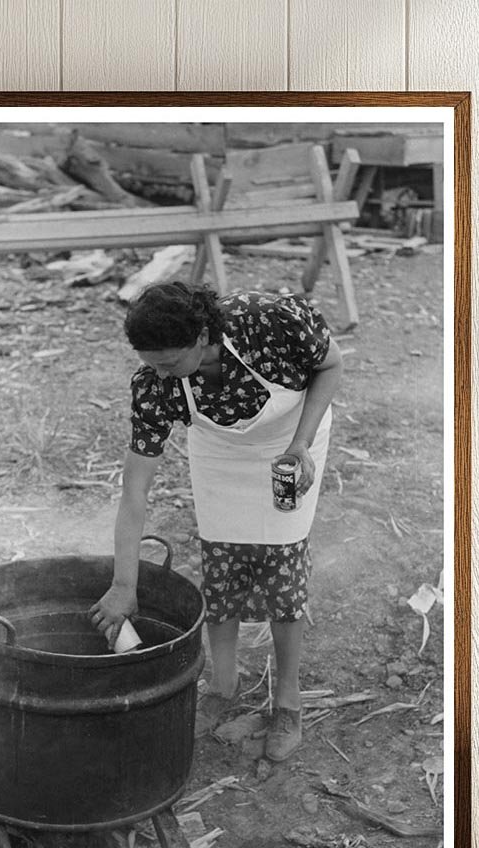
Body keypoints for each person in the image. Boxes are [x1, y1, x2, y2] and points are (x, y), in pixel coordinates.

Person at [89, 282, 343, 762]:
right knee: (222, 565)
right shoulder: (154, 384)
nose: (157, 373)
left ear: (204, 335)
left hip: (291, 443)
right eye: (150, 362)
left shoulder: (272, 320)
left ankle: (288, 703)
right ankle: (224, 686)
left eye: (168, 362)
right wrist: (125, 582)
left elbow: (331, 366)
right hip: (219, 456)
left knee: (282, 569)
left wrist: (302, 442)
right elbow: (134, 492)